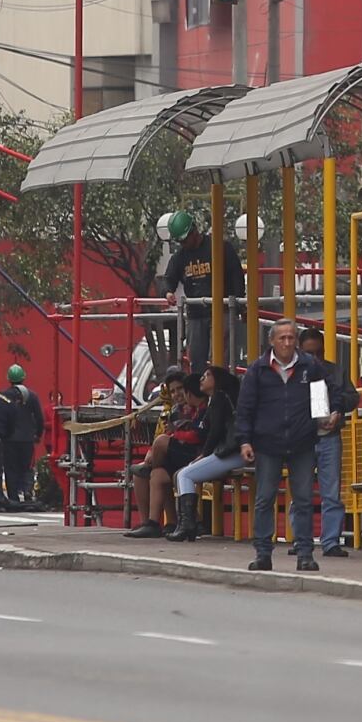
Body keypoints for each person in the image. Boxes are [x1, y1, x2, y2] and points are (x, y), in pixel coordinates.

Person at [231, 320, 326, 572]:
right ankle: (263, 553)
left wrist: (322, 420)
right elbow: (245, 409)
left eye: (291, 338)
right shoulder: (257, 370)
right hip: (267, 443)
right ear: (272, 341)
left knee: (304, 499)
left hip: (302, 441)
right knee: (264, 498)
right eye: (282, 338)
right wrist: (245, 440)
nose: (287, 343)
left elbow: (321, 398)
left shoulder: (310, 366)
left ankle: (305, 554)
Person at [295, 321, 359, 558]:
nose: (315, 358)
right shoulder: (293, 374)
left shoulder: (335, 371)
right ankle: (301, 540)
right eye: (309, 353)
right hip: (303, 438)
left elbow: (352, 397)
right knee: (300, 492)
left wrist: (338, 410)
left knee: (331, 492)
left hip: (329, 436)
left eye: (318, 352)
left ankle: (330, 541)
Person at [166, 363, 243, 540]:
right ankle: (187, 524)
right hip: (233, 451)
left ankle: (187, 525)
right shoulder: (219, 399)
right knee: (184, 474)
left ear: (217, 380)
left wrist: (204, 454)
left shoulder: (219, 398)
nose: (202, 378)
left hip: (232, 452)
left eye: (207, 375)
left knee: (184, 475)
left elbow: (215, 431)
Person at [123, 369, 201, 537]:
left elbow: (196, 436)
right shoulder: (174, 411)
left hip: (194, 454)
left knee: (160, 443)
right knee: (154, 474)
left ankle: (149, 467)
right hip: (177, 454)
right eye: (172, 391)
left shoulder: (198, 407)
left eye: (179, 388)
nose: (176, 394)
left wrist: (169, 439)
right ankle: (151, 523)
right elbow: (169, 433)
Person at [158, 210, 220, 373]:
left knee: (219, 359)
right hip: (195, 314)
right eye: (180, 241)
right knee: (196, 360)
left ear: (194, 231)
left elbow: (234, 274)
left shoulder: (216, 248)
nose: (183, 244)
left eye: (185, 240)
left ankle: (218, 386)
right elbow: (168, 278)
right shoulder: (180, 257)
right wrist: (168, 292)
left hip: (220, 311)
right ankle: (199, 386)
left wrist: (239, 305)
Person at [0, 364, 46, 512]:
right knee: (27, 467)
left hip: (9, 439)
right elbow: (39, 418)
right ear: (24, 377)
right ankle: (27, 492)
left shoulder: (3, 396)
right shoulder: (32, 396)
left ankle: (13, 498)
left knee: (10, 468)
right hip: (27, 438)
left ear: (8, 378)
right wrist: (38, 434)